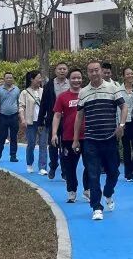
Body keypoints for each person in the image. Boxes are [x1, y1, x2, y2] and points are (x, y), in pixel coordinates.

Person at [75, 57, 126, 222]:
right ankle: (96, 207)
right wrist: (76, 139)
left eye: (97, 70)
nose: (94, 73)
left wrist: (121, 125)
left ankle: (108, 192)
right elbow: (79, 116)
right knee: (93, 174)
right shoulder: (83, 92)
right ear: (87, 73)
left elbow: (124, 106)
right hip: (91, 140)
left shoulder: (113, 88)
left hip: (110, 138)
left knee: (114, 172)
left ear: (101, 71)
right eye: (91, 71)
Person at [50, 69, 84, 203]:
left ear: (82, 79)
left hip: (87, 137)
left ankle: (87, 189)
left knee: (91, 165)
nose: (76, 80)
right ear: (69, 80)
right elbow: (57, 115)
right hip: (68, 137)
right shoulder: (62, 97)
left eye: (79, 78)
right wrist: (54, 133)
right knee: (70, 166)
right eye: (73, 78)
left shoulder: (87, 94)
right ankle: (71, 191)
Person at [39, 62, 71, 180]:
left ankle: (65, 170)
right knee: (53, 145)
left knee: (66, 146)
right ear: (55, 71)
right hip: (53, 120)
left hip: (67, 121)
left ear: (67, 71)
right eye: (60, 69)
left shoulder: (71, 84)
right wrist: (40, 120)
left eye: (64, 69)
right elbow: (43, 103)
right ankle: (53, 165)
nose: (62, 71)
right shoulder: (49, 85)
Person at [20, 71, 47, 174]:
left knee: (43, 144)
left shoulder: (43, 91)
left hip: (42, 122)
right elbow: (21, 107)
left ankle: (42, 167)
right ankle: (30, 163)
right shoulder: (25, 93)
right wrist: (23, 119)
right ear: (32, 79)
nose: (40, 80)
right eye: (38, 78)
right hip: (31, 122)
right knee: (31, 144)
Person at [0, 71, 21, 162]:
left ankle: (13, 155)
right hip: (3, 116)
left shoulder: (17, 89)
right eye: (7, 78)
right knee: (2, 136)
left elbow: (19, 103)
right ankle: (0, 150)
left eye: (10, 78)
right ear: (4, 79)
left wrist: (20, 114)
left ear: (13, 79)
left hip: (14, 116)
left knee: (14, 136)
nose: (9, 79)